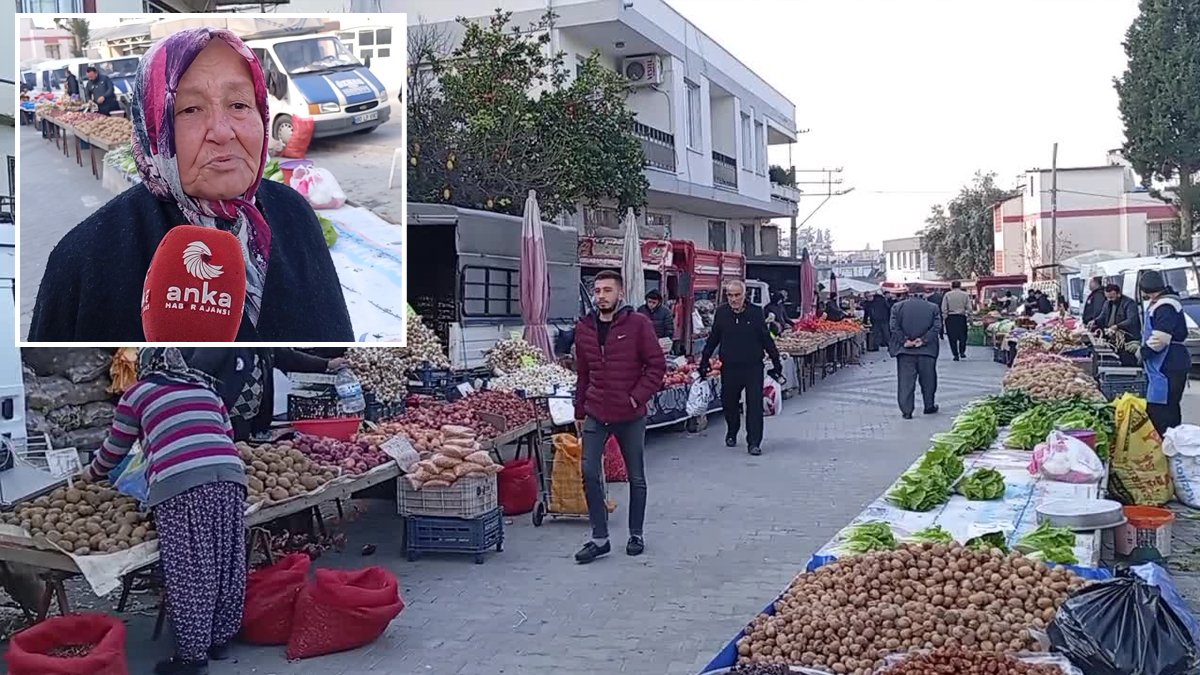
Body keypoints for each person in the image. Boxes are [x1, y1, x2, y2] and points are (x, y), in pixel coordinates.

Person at [29, 29, 353, 342]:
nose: (222, 132)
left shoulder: (295, 214)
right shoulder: (84, 260)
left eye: (239, 105)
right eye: (190, 109)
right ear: (152, 127)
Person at [84, 348, 246, 675]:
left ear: (147, 365)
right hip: (231, 476)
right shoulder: (205, 388)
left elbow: (115, 448)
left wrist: (91, 473)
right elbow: (226, 436)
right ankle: (219, 639)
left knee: (190, 568)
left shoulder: (138, 393)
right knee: (226, 559)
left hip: (181, 485)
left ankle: (192, 657)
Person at [572, 271, 666, 564]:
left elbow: (656, 366)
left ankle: (636, 533)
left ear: (620, 294)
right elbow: (583, 373)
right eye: (598, 291)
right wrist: (579, 410)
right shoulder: (584, 328)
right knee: (589, 471)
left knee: (636, 476)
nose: (601, 296)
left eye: (607, 290)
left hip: (630, 414)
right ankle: (599, 539)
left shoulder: (638, 324)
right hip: (596, 412)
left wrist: (636, 397)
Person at [700, 279, 783, 457]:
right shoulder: (722, 313)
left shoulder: (756, 312)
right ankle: (732, 430)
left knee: (754, 405)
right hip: (730, 367)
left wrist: (776, 362)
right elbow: (714, 338)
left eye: (737, 295)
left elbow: (766, 339)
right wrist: (704, 360)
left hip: (753, 367)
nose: (734, 299)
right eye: (730, 295)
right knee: (729, 402)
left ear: (744, 295)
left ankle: (754, 442)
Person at [1138, 270, 1191, 437]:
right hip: (1170, 363)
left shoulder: (1165, 305)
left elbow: (1161, 338)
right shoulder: (1163, 303)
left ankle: (1167, 443)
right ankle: (1169, 441)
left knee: (1163, 411)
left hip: (1169, 363)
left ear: (1145, 290)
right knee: (1168, 407)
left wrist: (1144, 352)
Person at [889, 290, 941, 419]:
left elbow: (894, 326)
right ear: (923, 294)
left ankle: (907, 411)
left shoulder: (897, 307)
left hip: (905, 351)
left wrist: (904, 340)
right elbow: (936, 327)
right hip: (927, 351)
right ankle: (929, 405)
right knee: (929, 380)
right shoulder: (933, 307)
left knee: (905, 382)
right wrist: (923, 340)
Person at [941, 280, 972, 361]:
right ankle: (962, 351)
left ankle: (955, 354)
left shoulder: (947, 295)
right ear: (960, 286)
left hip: (950, 318)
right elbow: (969, 308)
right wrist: (970, 318)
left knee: (952, 337)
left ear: (951, 286)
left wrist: (944, 318)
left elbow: (944, 308)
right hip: (961, 317)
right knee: (963, 336)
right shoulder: (965, 295)